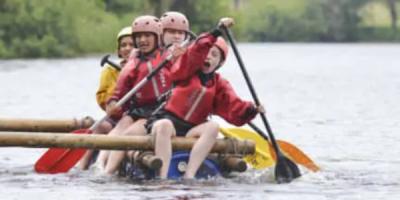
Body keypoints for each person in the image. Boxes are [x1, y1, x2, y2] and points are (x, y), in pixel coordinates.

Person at [146, 17, 264, 179]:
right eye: (207, 53)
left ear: (220, 62)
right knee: (165, 125)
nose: (208, 57)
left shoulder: (220, 84)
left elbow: (233, 107)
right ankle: (162, 177)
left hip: (192, 130)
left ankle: (190, 175)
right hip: (166, 123)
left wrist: (252, 109)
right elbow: (196, 51)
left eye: (214, 55)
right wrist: (216, 32)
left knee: (213, 127)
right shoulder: (186, 69)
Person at [99, 15, 186, 175]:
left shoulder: (169, 56)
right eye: (138, 36)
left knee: (128, 134)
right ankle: (103, 169)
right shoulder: (134, 60)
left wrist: (180, 57)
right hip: (138, 109)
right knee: (119, 128)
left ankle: (109, 172)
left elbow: (186, 72)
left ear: (157, 37)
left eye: (147, 36)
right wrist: (113, 101)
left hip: (159, 110)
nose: (142, 40)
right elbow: (121, 88)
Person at [78, 26, 134, 170]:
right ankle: (81, 166)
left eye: (131, 45)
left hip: (135, 118)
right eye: (123, 45)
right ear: (119, 51)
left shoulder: (145, 68)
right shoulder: (110, 70)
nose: (127, 48)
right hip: (115, 117)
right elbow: (102, 98)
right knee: (100, 126)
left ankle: (104, 163)